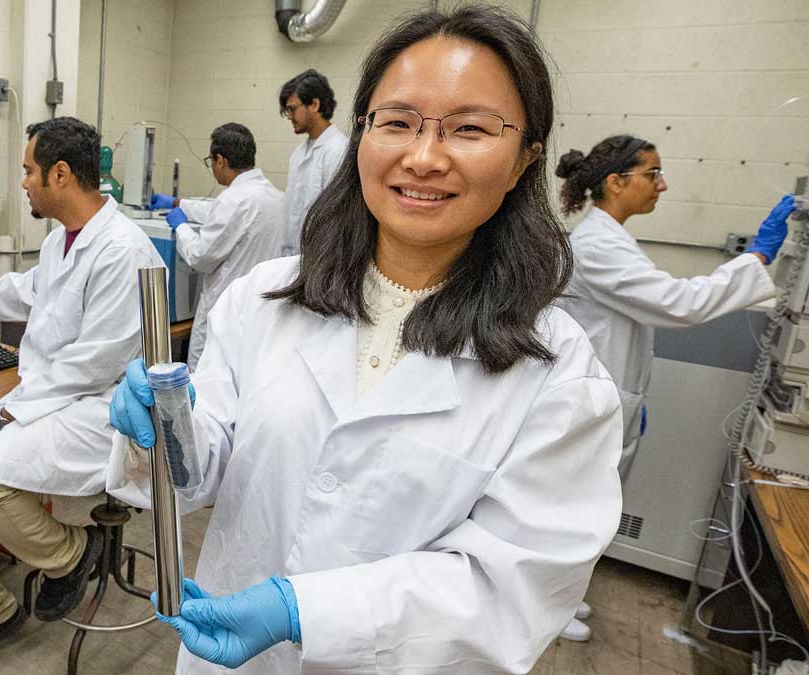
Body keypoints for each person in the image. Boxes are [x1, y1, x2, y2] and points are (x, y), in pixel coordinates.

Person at [108, 6, 624, 673]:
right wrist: (163, 427)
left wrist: (309, 612)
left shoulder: (558, 372)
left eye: (469, 128)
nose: (424, 156)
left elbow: (512, 588)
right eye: (398, 122)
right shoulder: (262, 300)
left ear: (527, 157)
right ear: (362, 136)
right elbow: (201, 467)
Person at [0, 117, 165, 675]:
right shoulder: (62, 239)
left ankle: (74, 554)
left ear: (60, 173)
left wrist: (10, 410)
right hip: (51, 394)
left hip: (100, 407)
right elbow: (30, 291)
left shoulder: (125, 251)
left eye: (29, 171)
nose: (24, 183)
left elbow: (96, 360)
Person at [552, 135, 794, 642]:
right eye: (653, 174)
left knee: (585, 510)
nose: (661, 185)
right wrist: (757, 258)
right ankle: (548, 608)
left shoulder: (609, 237)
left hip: (611, 395)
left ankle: (562, 599)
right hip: (592, 400)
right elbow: (677, 303)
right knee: (573, 513)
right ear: (617, 183)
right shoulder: (597, 245)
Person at [148, 123, 283, 369]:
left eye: (211, 160)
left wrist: (180, 227)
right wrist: (178, 203)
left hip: (223, 313)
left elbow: (199, 256)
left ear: (220, 160)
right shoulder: (273, 196)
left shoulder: (234, 199)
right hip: (257, 315)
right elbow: (220, 213)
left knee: (204, 384)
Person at [278, 69, 349, 256]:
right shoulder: (298, 154)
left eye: (292, 109)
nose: (289, 116)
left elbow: (337, 219)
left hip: (323, 259)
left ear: (315, 105)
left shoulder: (339, 151)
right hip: (294, 257)